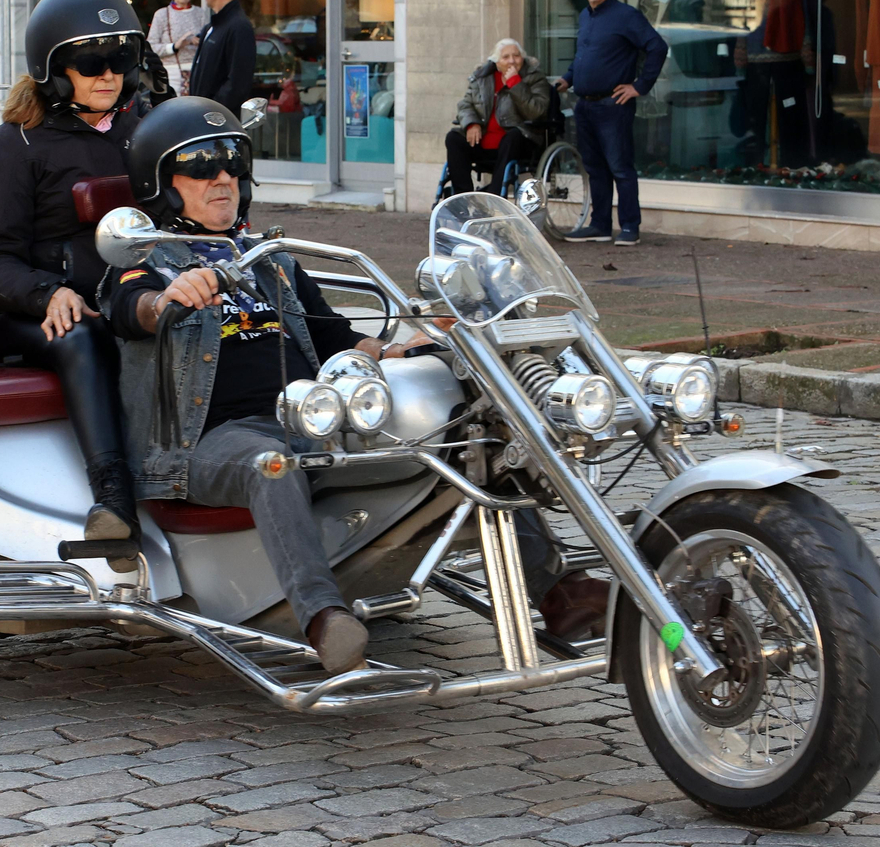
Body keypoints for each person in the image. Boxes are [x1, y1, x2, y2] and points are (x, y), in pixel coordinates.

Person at [107, 98, 612, 673]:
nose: (221, 178)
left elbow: (335, 337)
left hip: (313, 417)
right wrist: (166, 299)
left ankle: (561, 592)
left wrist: (410, 344)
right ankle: (324, 618)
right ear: (162, 183)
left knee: (471, 434)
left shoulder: (269, 260)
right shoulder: (146, 262)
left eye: (232, 164)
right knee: (271, 466)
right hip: (209, 443)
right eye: (201, 166)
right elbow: (129, 308)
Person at [0, 0, 145, 542]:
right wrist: (49, 293)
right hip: (40, 311)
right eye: (90, 62)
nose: (108, 74)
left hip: (132, 293)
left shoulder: (141, 131)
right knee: (81, 334)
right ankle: (113, 499)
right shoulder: (13, 145)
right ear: (54, 68)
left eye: (120, 59)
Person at [557, 0, 667, 246]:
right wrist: (568, 78)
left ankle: (630, 227)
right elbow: (584, 55)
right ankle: (600, 226)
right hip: (585, 105)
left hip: (613, 105)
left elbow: (657, 46)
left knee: (620, 167)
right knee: (595, 168)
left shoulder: (626, 16)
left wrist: (640, 86)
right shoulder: (585, 16)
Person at [439, 39, 551, 201]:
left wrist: (515, 83)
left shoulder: (534, 77)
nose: (512, 61)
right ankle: (463, 198)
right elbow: (465, 104)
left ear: (523, 58)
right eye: (506, 57)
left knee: (513, 136)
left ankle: (494, 197)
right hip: (483, 140)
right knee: (454, 138)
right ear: (497, 62)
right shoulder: (482, 77)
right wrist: (472, 123)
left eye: (516, 56)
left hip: (519, 142)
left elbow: (536, 112)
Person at [188, 0, 257, 113]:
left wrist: (211, 112)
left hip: (218, 121)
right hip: (201, 117)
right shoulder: (211, 27)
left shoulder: (239, 27)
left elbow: (238, 84)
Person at [148, 0, 208, 96]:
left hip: (198, 74)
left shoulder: (200, 14)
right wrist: (175, 46)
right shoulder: (162, 14)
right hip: (170, 75)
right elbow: (151, 48)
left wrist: (200, 42)